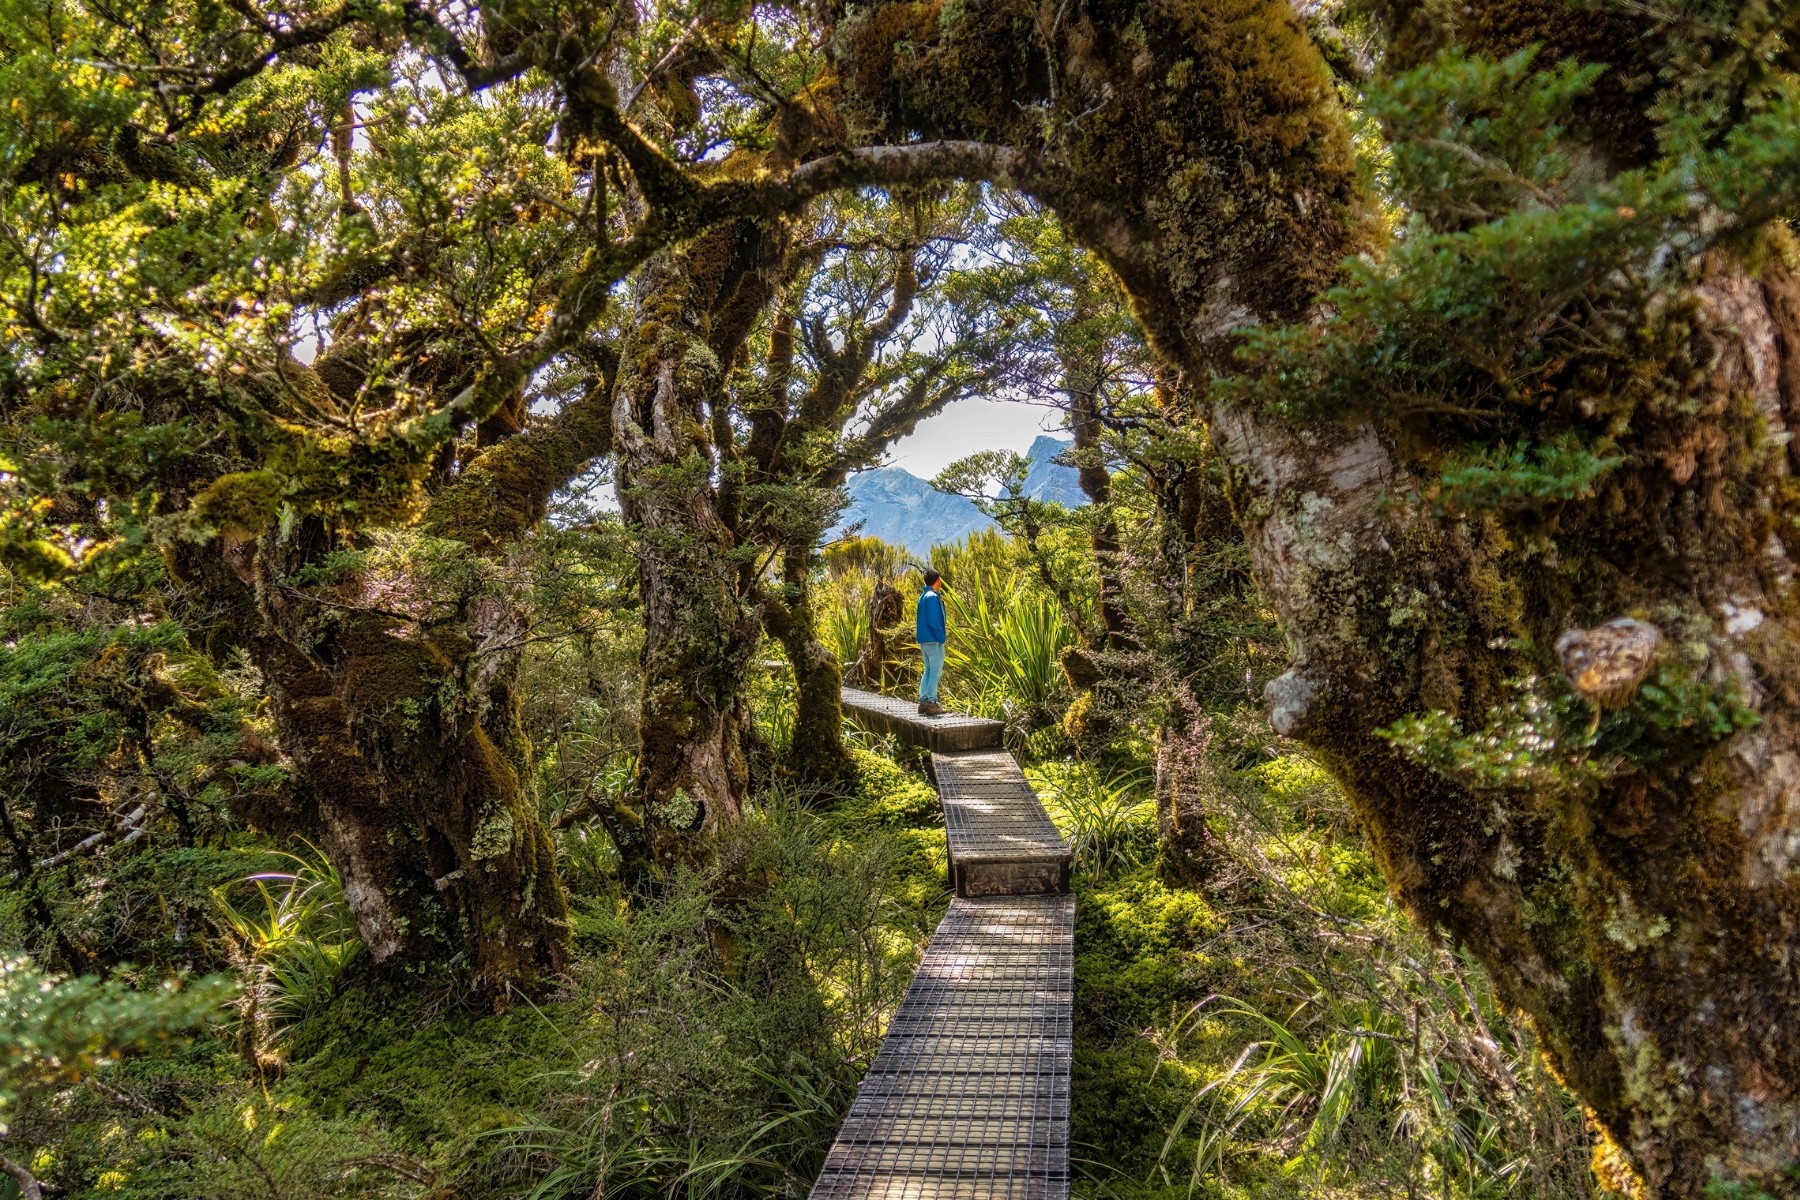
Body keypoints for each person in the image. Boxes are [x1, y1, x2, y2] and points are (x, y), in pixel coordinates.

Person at [915, 569, 947, 716]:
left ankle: (923, 701)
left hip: (924, 639)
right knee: (935, 672)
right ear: (937, 580)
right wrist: (941, 637)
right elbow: (934, 621)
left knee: (928, 670)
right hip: (934, 640)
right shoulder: (932, 597)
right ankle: (932, 703)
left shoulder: (923, 597)